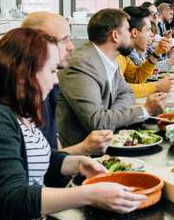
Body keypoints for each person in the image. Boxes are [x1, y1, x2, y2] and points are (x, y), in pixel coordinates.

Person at [0, 28, 147, 220]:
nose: (56, 80)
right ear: (25, 73)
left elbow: (37, 160)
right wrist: (89, 194)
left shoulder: (19, 109)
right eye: (52, 71)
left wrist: (77, 163)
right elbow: (14, 197)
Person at [57, 9, 167, 147]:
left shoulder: (110, 58)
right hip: (80, 153)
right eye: (128, 30)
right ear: (115, 36)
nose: (131, 35)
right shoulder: (81, 64)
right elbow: (96, 122)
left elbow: (126, 93)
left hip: (105, 143)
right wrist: (146, 110)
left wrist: (110, 116)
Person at [22, 12, 113, 155]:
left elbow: (53, 151)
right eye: (64, 40)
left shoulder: (48, 89)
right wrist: (84, 149)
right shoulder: (2, 109)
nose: (71, 47)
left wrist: (82, 151)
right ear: (36, 43)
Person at [117, 6, 174, 97]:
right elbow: (120, 90)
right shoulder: (116, 55)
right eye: (148, 30)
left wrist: (156, 54)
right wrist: (157, 86)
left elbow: (137, 78)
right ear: (135, 33)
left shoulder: (125, 53)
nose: (152, 34)